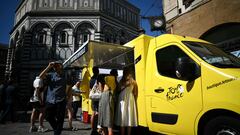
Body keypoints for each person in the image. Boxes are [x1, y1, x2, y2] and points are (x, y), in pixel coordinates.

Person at [39, 61, 72, 135]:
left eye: (57, 65)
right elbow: (40, 77)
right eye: (55, 66)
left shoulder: (66, 75)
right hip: (50, 100)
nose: (55, 67)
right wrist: (49, 66)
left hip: (61, 101)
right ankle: (57, 129)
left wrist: (68, 97)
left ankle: (57, 132)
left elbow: (70, 86)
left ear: (61, 66)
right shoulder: (50, 75)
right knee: (48, 116)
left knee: (60, 120)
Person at [115, 67, 138, 135]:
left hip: (122, 99)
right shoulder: (134, 82)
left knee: (122, 118)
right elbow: (135, 93)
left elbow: (118, 90)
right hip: (130, 99)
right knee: (129, 118)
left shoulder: (121, 81)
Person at [90, 66, 100, 135]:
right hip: (98, 97)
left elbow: (90, 89)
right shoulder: (97, 79)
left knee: (93, 113)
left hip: (93, 97)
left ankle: (92, 128)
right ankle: (97, 128)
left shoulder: (91, 79)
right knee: (97, 113)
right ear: (98, 71)